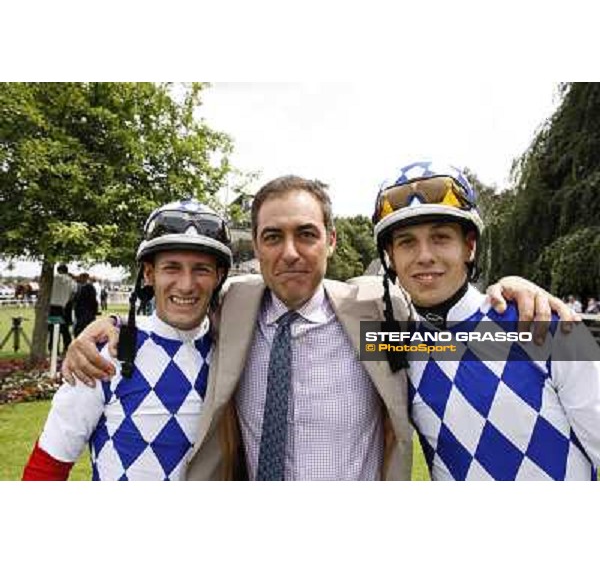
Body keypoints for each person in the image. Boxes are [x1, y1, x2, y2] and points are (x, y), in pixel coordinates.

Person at [62, 176, 577, 481]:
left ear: (331, 241)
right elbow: (176, 306)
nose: (290, 252)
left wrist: (516, 293)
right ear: (255, 249)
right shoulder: (233, 310)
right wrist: (109, 325)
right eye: (273, 237)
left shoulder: (375, 318)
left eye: (306, 234)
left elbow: (458, 320)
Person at [372, 160, 600, 480]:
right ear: (390, 257)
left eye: (440, 237)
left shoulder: (547, 324)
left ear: (469, 246)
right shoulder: (389, 344)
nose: (424, 255)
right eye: (407, 241)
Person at [22, 199, 232, 480]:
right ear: (148, 273)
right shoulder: (104, 352)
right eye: (171, 267)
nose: (186, 284)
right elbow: (47, 466)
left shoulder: (232, 349)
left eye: (201, 269)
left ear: (219, 276)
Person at [47, 263, 76, 353]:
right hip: (64, 308)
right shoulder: (71, 281)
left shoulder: (52, 279)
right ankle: (67, 347)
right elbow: (73, 294)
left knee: (53, 330)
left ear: (58, 270)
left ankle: (53, 349)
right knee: (65, 330)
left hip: (53, 307)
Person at [73, 272, 99, 337]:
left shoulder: (82, 288)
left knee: (80, 330)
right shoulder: (90, 287)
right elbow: (94, 301)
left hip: (83, 313)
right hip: (88, 313)